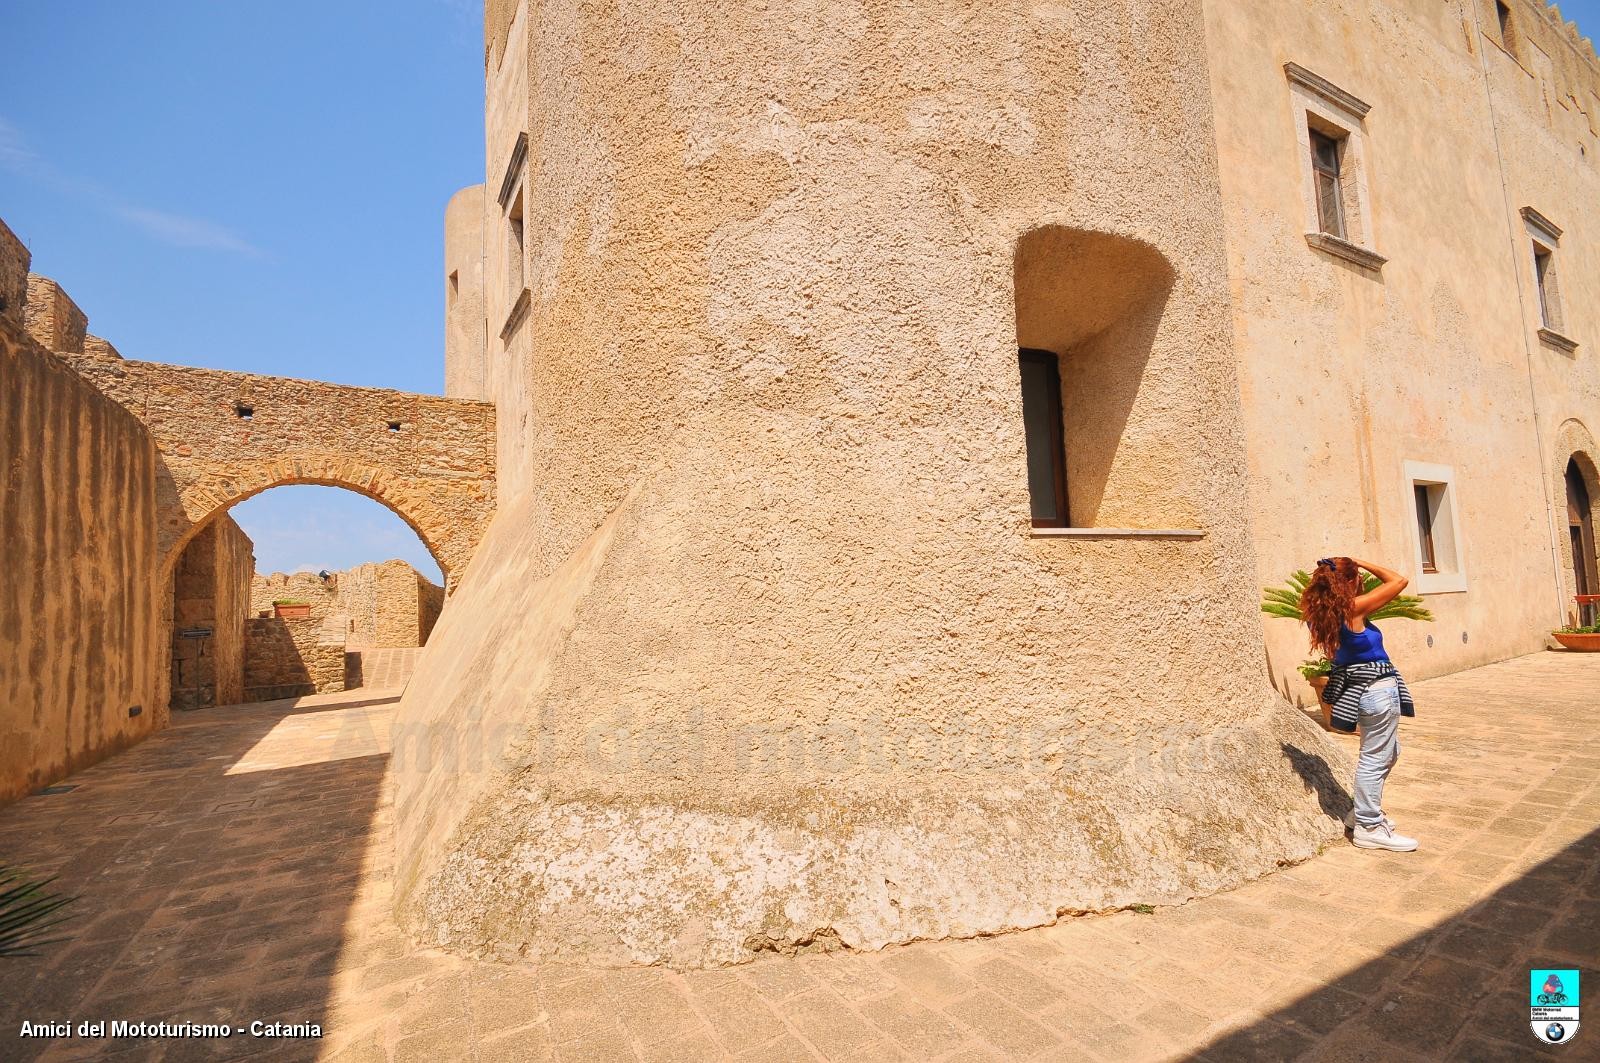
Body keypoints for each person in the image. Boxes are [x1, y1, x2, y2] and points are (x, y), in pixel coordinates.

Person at [1301, 556, 1419, 852]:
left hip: (1367, 692)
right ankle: (1369, 825)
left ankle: (1361, 814)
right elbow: (1398, 581)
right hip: (1376, 692)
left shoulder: (1321, 613)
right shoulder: (1352, 610)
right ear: (1350, 582)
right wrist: (1363, 563)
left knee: (1390, 752)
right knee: (1374, 759)